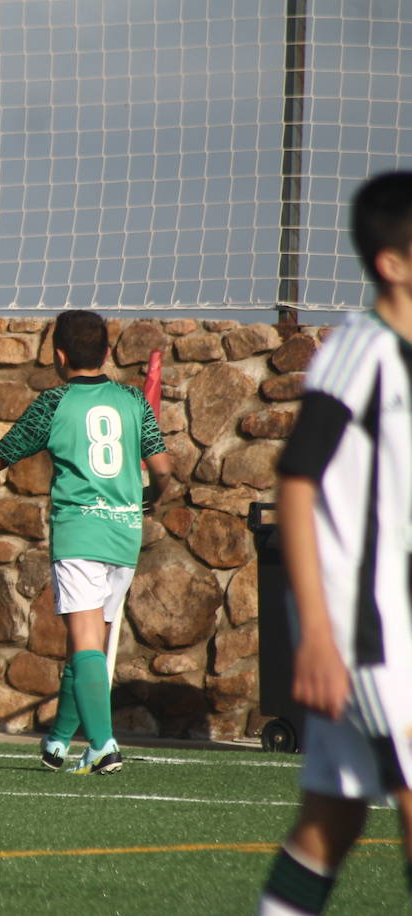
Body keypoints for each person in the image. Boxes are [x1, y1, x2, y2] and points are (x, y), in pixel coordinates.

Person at [256, 171, 412, 914]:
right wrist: (315, 633)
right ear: (394, 263)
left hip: (395, 627)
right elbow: (296, 480)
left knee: (331, 823)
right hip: (367, 630)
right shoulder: (362, 349)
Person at [0, 309, 170, 776]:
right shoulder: (132, 400)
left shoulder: (54, 403)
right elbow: (164, 471)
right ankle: (59, 742)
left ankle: (104, 745)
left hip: (81, 533)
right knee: (88, 646)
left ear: (59, 356)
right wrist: (150, 498)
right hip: (124, 533)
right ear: (106, 354)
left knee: (84, 642)